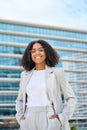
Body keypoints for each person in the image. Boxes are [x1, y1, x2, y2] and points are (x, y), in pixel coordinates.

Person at [15, 39, 76, 130]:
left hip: (50, 117)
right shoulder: (24, 75)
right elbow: (20, 99)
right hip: (28, 118)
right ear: (30, 54)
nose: (37, 53)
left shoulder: (57, 72)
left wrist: (62, 117)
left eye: (41, 50)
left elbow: (71, 98)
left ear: (47, 52)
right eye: (33, 51)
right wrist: (20, 117)